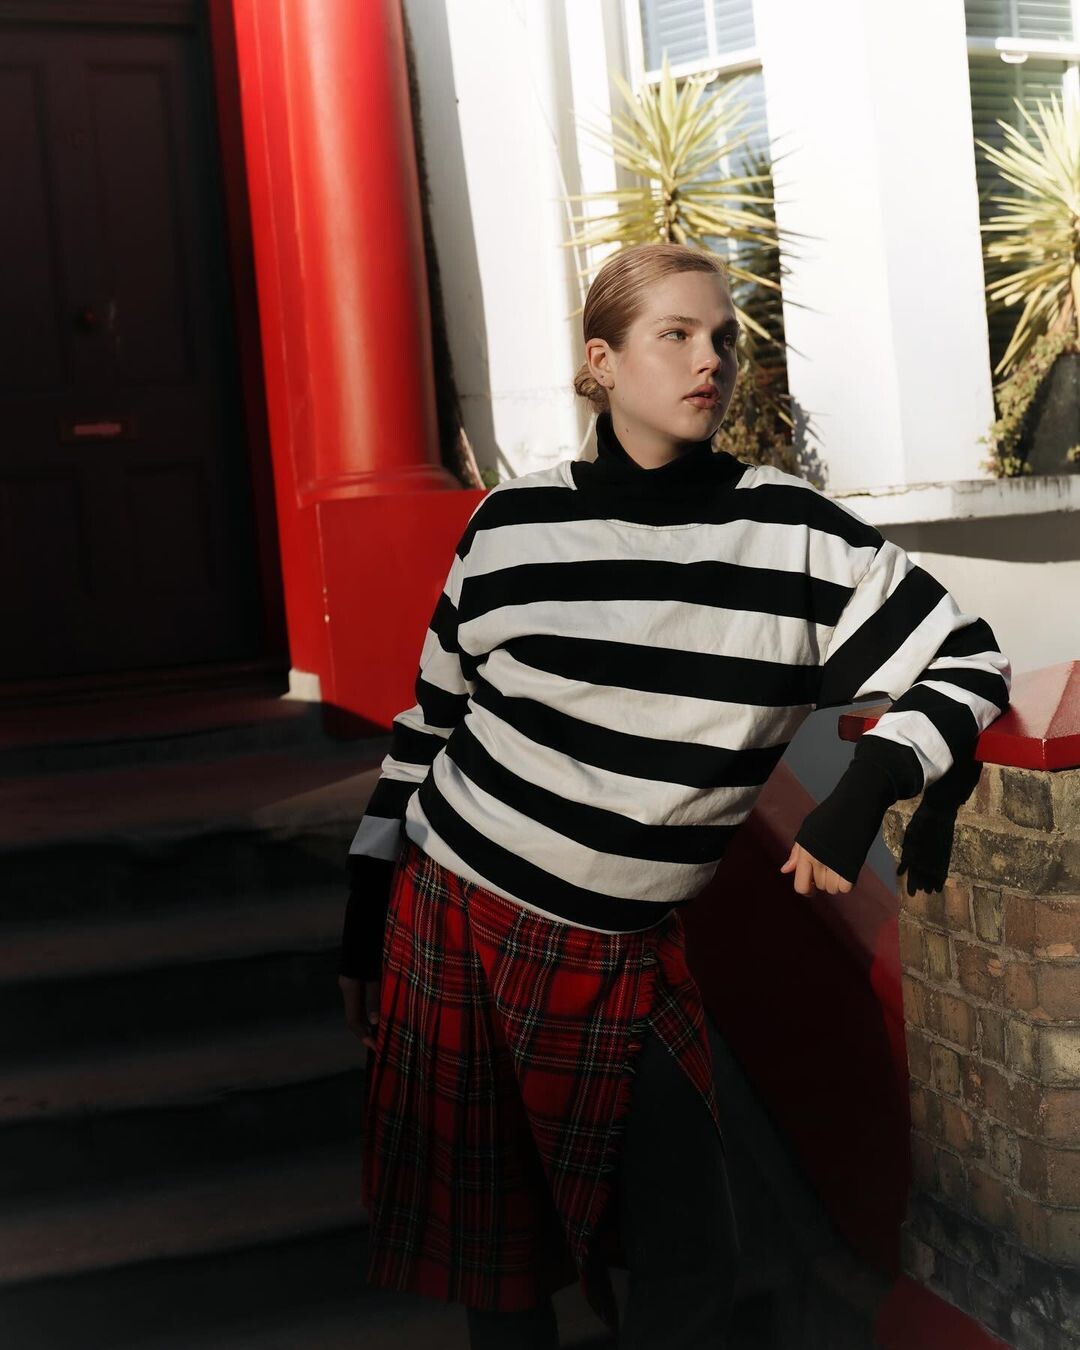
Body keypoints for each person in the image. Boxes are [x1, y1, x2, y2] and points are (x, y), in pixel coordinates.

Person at [338, 241, 1012, 1348]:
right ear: (602, 362)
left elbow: (968, 659)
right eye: (678, 335)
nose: (713, 361)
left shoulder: (792, 531)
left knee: (692, 1256)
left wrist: (866, 788)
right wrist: (364, 915)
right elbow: (430, 726)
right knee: (503, 1276)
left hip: (633, 951)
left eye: (726, 339)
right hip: (457, 911)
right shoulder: (508, 524)